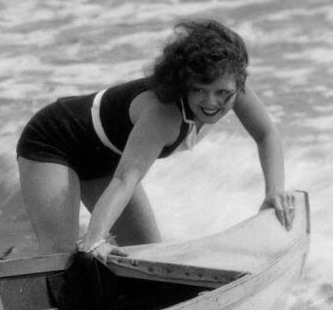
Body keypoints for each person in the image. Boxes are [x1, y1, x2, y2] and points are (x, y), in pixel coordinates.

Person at [16, 19, 294, 254]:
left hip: (106, 158)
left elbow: (266, 134)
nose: (211, 102)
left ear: (238, 84)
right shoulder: (163, 115)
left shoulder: (235, 88)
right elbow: (126, 178)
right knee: (62, 255)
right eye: (199, 89)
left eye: (223, 93)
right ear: (184, 81)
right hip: (55, 141)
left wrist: (274, 191)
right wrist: (95, 236)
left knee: (146, 253)